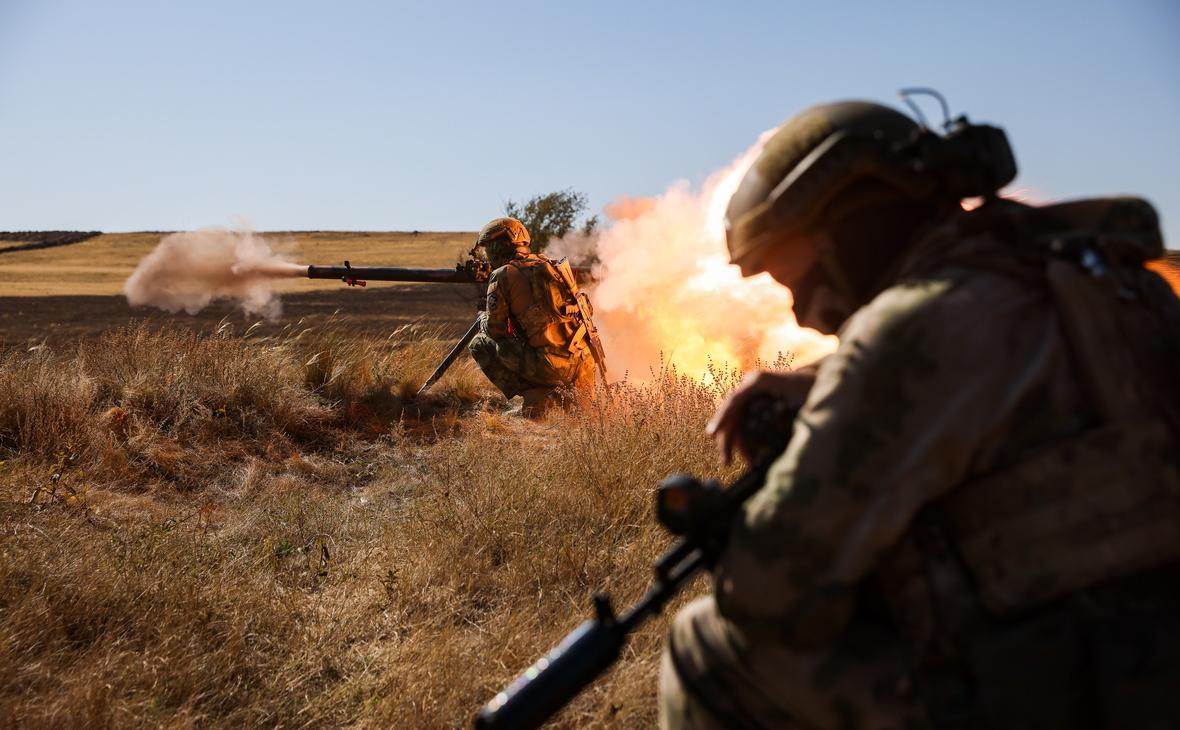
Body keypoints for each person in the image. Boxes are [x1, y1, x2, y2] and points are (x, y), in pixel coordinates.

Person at [659, 100, 1180, 728]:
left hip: (1068, 687)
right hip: (1148, 656)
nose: (799, 311)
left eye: (788, 275)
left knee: (705, 646)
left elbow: (772, 595)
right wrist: (825, 381)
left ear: (843, 227)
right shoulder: (1101, 278)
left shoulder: (908, 332)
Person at [467, 217, 604, 416]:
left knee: (479, 343)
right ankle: (565, 399)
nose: (487, 256)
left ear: (498, 247)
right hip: (584, 363)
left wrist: (484, 317)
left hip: (550, 367)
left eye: (488, 250)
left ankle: (536, 397)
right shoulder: (551, 266)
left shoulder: (503, 274)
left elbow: (496, 329)